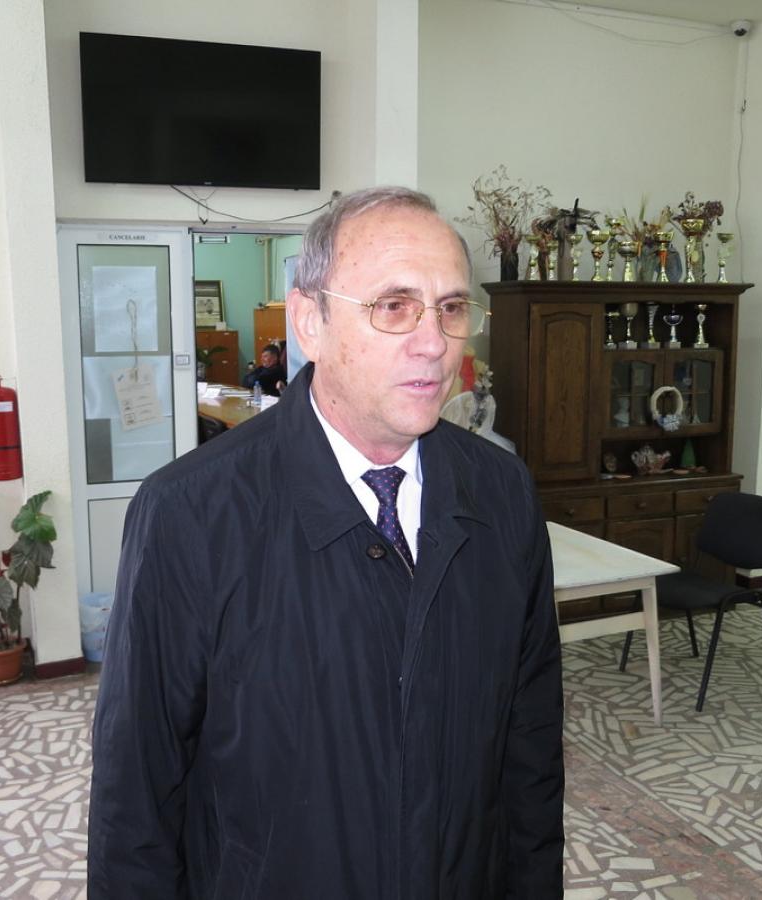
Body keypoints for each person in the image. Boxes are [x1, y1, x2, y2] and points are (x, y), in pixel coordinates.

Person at [88, 187, 565, 898]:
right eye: (394, 306)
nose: (434, 342)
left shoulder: (503, 495)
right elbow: (137, 799)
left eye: (451, 308)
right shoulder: (188, 515)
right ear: (310, 321)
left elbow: (531, 754)